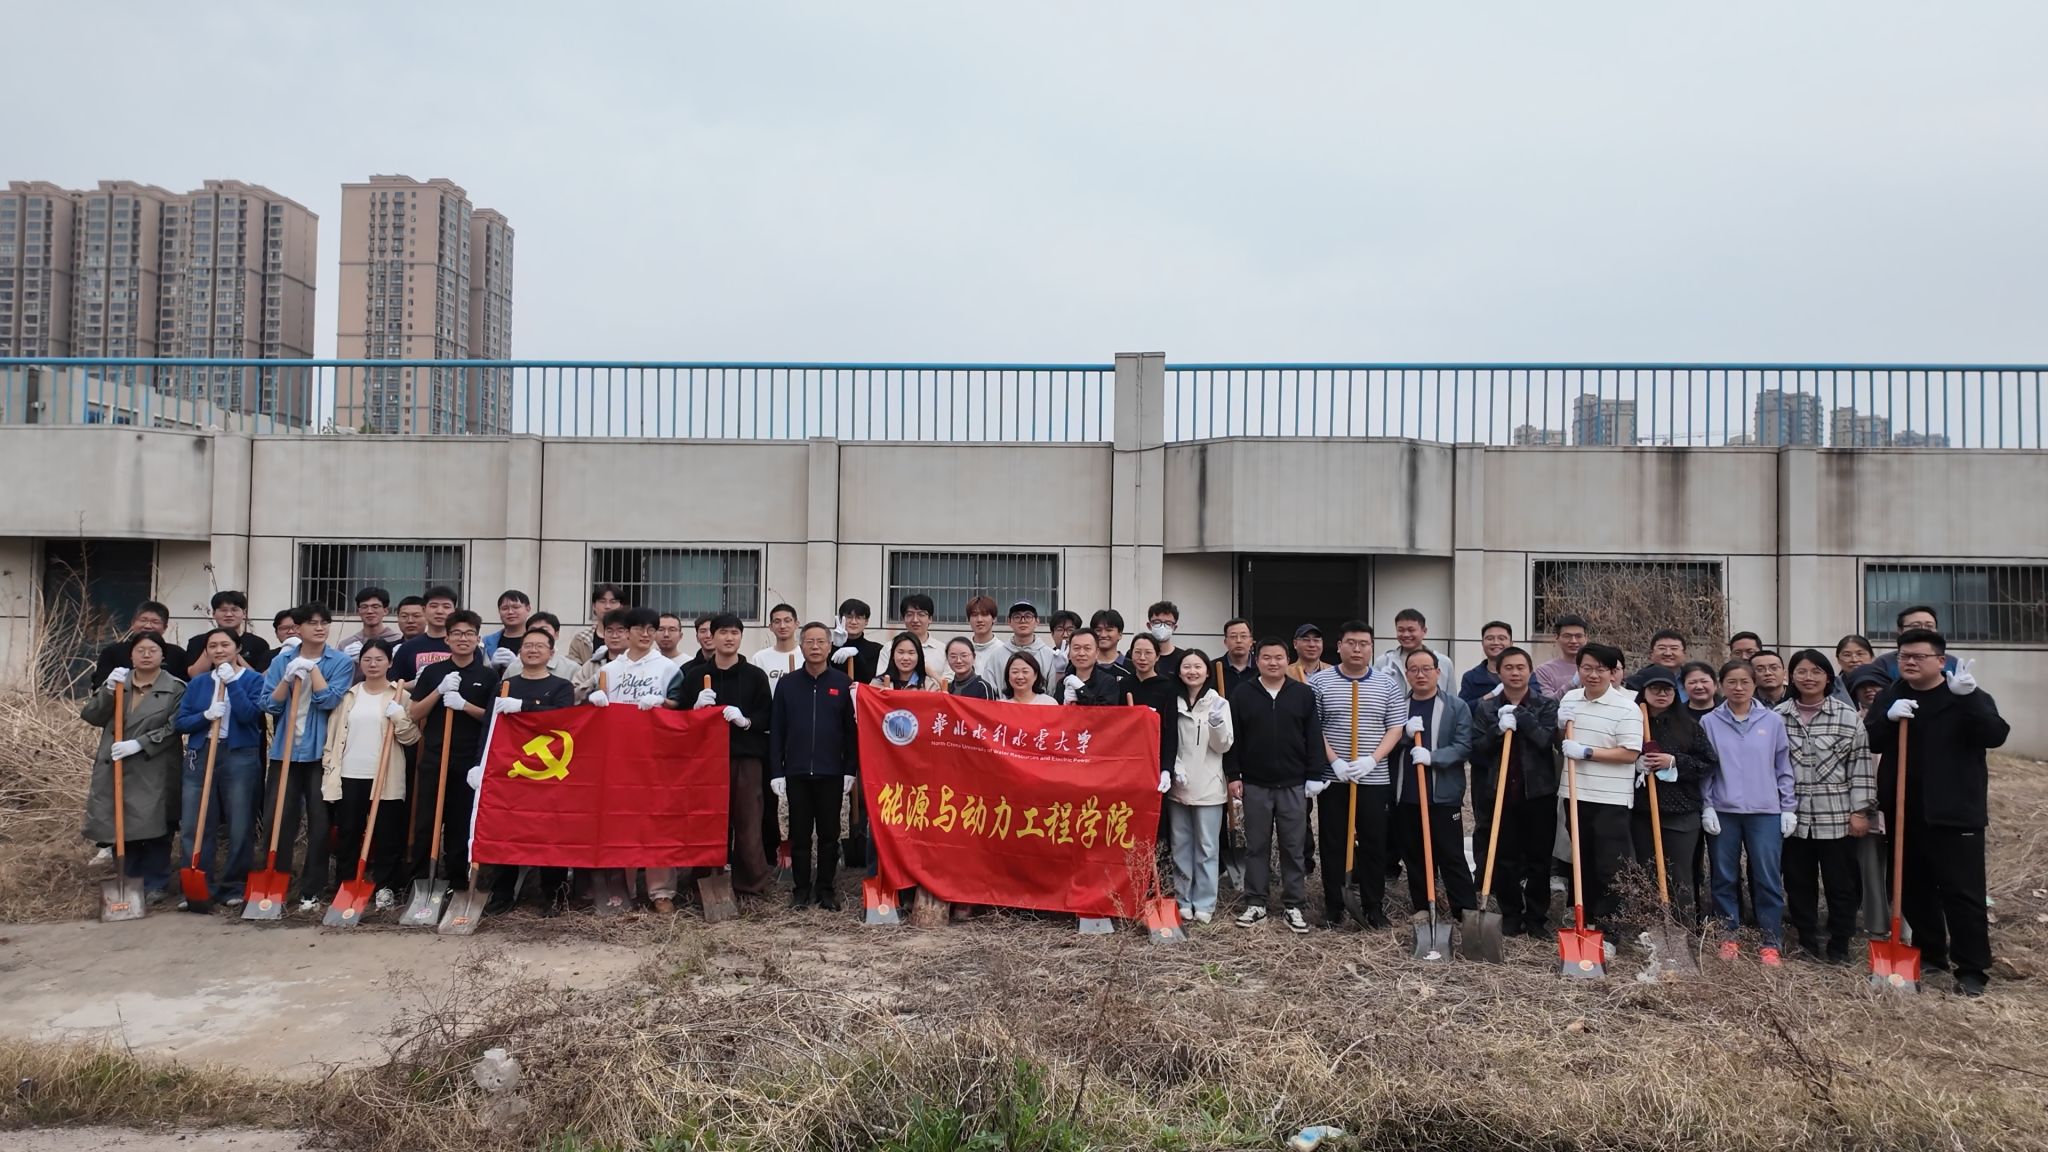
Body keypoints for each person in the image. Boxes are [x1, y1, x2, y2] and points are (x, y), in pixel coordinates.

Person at [1865, 630, 2007, 996]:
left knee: (1963, 893)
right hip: (1906, 812)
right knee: (1914, 890)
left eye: (1919, 656)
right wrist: (1887, 719)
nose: (1910, 662)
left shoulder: (1965, 694)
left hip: (1955, 812)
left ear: (1940, 662)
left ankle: (1972, 968)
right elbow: (1872, 739)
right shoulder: (1892, 695)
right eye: (1904, 656)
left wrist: (1969, 699)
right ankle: (1930, 954)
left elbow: (1995, 734)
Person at [1775, 649, 1875, 964]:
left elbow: (1860, 767)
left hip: (1837, 816)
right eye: (1802, 672)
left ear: (1828, 677)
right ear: (1791, 677)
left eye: (1816, 671)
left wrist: (1860, 811)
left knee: (1841, 884)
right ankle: (1807, 939)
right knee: (1798, 882)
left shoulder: (1846, 717)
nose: (1809, 678)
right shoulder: (1777, 717)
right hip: (1793, 817)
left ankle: (1840, 943)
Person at [1307, 621, 1408, 929]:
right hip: (1335, 778)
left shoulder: (1387, 684)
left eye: (1364, 644)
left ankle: (1373, 906)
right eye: (1351, 642)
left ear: (1371, 648)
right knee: (1333, 841)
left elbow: (1395, 727)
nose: (1357, 649)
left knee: (1374, 842)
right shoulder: (1319, 682)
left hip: (1373, 778)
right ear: (1339, 646)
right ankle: (1334, 905)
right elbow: (1314, 727)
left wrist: (1372, 759)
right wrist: (1335, 761)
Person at [583, 606, 682, 911]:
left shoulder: (667, 668)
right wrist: (593, 701)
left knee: (658, 822)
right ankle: (622, 890)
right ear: (626, 633)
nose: (646, 634)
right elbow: (594, 714)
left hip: (656, 756)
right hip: (619, 758)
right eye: (639, 628)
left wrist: (663, 702)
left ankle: (661, 891)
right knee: (621, 821)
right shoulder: (609, 670)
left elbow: (681, 704)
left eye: (652, 629)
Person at [1700, 659, 1796, 966]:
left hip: (1765, 811)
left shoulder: (1772, 721)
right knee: (1724, 877)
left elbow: (1783, 766)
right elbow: (1706, 769)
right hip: (1724, 810)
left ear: (1755, 685)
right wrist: (1707, 805)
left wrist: (1787, 807)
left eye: (1745, 682)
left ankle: (1770, 940)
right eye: (1731, 682)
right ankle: (1728, 936)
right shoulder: (1709, 722)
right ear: (1721, 685)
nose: (1738, 688)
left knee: (1767, 878)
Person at [259, 605, 355, 909]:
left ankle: (312, 889)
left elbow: (329, 700)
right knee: (278, 819)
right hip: (285, 752)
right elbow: (268, 704)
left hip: (320, 754)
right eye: (312, 623)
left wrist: (312, 670)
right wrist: (287, 678)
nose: (320, 628)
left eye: (324, 622)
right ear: (297, 628)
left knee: (320, 822)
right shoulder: (281, 661)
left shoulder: (340, 662)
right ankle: (275, 883)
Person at [674, 613, 776, 899]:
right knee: (707, 823)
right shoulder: (695, 676)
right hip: (706, 762)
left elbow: (766, 716)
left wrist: (747, 721)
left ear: (741, 637)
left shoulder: (755, 676)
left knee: (748, 822)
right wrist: (695, 710)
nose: (729, 638)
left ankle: (750, 885)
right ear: (712, 636)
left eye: (734, 633)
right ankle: (703, 883)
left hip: (745, 759)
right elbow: (679, 718)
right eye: (723, 632)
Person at [405, 609, 500, 902]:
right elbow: (414, 713)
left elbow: (492, 718)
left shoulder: (488, 675)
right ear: (447, 639)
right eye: (457, 633)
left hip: (469, 761)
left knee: (460, 825)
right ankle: (420, 881)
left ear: (477, 639)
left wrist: (463, 705)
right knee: (426, 823)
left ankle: (457, 882)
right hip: (435, 758)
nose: (463, 638)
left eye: (469, 633)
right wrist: (439, 691)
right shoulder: (434, 672)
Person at [1227, 639, 1322, 934]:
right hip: (1255, 783)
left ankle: (1294, 904)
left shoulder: (1303, 694)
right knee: (1256, 845)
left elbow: (1313, 735)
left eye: (1278, 657)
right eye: (1266, 657)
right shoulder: (1242, 693)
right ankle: (1256, 901)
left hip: (1293, 783)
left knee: (1293, 846)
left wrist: (1314, 774)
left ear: (1287, 660)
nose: (1273, 662)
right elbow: (1234, 738)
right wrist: (1233, 775)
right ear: (1257, 660)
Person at [319, 638, 420, 913]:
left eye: (379, 659)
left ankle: (386, 887)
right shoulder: (348, 696)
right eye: (367, 659)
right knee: (348, 833)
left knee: (388, 835)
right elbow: (333, 737)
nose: (373, 664)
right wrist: (329, 768)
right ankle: (347, 884)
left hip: (386, 776)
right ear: (360, 663)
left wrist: (399, 717)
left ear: (389, 663)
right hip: (350, 774)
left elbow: (411, 738)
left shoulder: (400, 696)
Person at [81, 632, 185, 899]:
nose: (146, 655)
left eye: (153, 650)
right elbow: (92, 716)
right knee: (122, 821)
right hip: (117, 763)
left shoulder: (175, 688)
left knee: (155, 824)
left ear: (163, 656)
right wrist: (107, 690)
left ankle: (156, 883)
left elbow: (175, 727)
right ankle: (128, 882)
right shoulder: (119, 682)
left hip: (154, 764)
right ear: (131, 655)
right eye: (140, 650)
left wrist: (140, 743)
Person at [1468, 646, 1561, 936]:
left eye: (1521, 667)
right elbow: (1476, 749)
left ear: (1529, 671)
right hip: (1500, 794)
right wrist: (1497, 730)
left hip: (1538, 793)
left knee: (1539, 860)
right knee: (1505, 859)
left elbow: (1546, 741)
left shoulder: (1545, 705)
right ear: (1499, 672)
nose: (1515, 673)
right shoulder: (1487, 708)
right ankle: (1510, 914)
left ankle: (1536, 918)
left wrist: (1522, 717)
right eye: (1508, 667)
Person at [172, 628, 268, 908]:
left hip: (240, 755)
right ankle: (198, 886)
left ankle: (234, 885)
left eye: (225, 644)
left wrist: (233, 684)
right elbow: (181, 722)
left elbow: (250, 716)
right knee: (196, 823)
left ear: (237, 648)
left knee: (240, 822)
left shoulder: (252, 680)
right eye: (212, 646)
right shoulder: (199, 683)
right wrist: (205, 715)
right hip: (201, 753)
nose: (219, 650)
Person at [484, 628, 578, 913]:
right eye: (527, 645)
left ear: (551, 653)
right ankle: (502, 894)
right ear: (520, 651)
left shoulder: (562, 686)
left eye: (539, 646)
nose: (533, 650)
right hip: (511, 771)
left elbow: (562, 719)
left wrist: (524, 707)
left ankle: (554, 894)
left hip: (549, 772)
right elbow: (489, 729)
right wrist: (480, 763)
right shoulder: (505, 685)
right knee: (506, 830)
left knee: (550, 832)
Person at [1555, 643, 1643, 945]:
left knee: (1609, 866)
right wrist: (1560, 726)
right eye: (1587, 668)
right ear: (1578, 669)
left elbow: (1630, 753)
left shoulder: (1627, 707)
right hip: (1574, 793)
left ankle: (1610, 931)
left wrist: (1587, 752)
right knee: (1582, 863)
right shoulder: (1570, 699)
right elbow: (1562, 742)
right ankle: (1588, 921)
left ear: (1613, 672)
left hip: (1611, 799)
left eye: (1601, 669)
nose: (1593, 674)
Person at [770, 622, 859, 910]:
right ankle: (800, 889)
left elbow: (851, 732)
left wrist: (849, 769)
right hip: (796, 772)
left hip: (831, 772)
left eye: (821, 641)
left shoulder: (842, 684)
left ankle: (826, 889)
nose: (816, 647)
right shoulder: (788, 684)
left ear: (830, 646)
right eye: (810, 641)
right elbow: (777, 729)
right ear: (802, 646)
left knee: (829, 835)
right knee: (799, 835)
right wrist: (777, 771)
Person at [1391, 649, 1477, 921]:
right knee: (1415, 854)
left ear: (1438, 672)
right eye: (1414, 669)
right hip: (1407, 794)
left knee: (1451, 854)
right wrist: (1404, 736)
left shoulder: (1456, 706)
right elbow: (1385, 742)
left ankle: (1465, 910)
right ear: (1407, 675)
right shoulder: (1398, 707)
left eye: (1426, 669)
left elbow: (1464, 746)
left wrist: (1433, 757)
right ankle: (1423, 906)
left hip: (1442, 795)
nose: (1420, 674)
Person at [1631, 665, 1716, 928]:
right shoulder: (1632, 723)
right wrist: (1635, 764)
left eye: (1667, 689)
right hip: (1642, 812)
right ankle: (1651, 928)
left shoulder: (1688, 726)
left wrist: (1674, 761)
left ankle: (1683, 928)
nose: (1661, 694)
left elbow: (1708, 763)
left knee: (1680, 875)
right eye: (1655, 689)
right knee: (1647, 873)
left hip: (1681, 812)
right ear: (1644, 691)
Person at [1169, 648, 1234, 924]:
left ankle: (1205, 902)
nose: (1192, 671)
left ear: (1207, 671)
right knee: (1181, 846)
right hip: (1178, 787)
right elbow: (1167, 740)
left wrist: (1217, 725)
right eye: (1187, 666)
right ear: (1179, 671)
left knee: (1207, 847)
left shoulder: (1219, 703)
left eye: (1198, 666)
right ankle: (1183, 899)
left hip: (1209, 787)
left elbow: (1224, 745)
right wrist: (1174, 766)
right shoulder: (1172, 701)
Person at [94, 600, 192, 684]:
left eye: (155, 622)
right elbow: (99, 685)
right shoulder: (112, 652)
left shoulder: (177, 654)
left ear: (165, 627)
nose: (148, 626)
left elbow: (184, 686)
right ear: (133, 623)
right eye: (143, 620)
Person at [185, 591, 273, 678]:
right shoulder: (197, 641)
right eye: (223, 610)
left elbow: (260, 679)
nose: (229, 614)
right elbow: (195, 675)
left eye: (234, 610)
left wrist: (234, 654)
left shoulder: (259, 643)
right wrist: (210, 647)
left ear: (244, 613)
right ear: (213, 613)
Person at [975, 601, 1059, 687]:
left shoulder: (1048, 655)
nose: (1023, 621)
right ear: (1009, 621)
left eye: (1028, 616)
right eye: (1017, 617)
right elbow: (989, 688)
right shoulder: (997, 656)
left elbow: (1052, 689)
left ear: (1037, 621)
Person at [391, 585, 458, 685]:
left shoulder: (464, 646)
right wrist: (415, 684)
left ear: (454, 611)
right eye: (434, 606)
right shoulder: (407, 648)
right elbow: (392, 686)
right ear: (424, 609)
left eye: (446, 607)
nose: (439, 611)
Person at [1872, 607, 1961, 679]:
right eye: (1915, 625)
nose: (1923, 629)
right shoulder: (1884, 663)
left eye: (1929, 626)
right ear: (1900, 630)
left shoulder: (1953, 662)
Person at [1372, 609, 1445, 680]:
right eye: (1401, 630)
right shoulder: (1383, 662)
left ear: (1424, 631)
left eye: (1411, 630)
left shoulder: (1443, 662)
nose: (1406, 635)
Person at [1056, 628, 1122, 705]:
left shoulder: (1108, 682)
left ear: (1097, 652)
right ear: (1069, 652)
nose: (1081, 653)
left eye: (1087, 648)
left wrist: (1081, 690)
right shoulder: (1063, 683)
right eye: (1076, 648)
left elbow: (1105, 711)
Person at [567, 584, 625, 666]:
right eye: (602, 601)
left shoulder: (631, 638)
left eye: (613, 602)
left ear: (621, 606)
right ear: (594, 606)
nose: (607, 606)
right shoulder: (581, 640)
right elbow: (573, 669)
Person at [830, 598, 885, 684]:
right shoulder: (828, 647)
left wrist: (857, 655)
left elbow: (868, 678)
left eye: (858, 618)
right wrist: (836, 647)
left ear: (866, 621)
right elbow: (826, 672)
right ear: (841, 619)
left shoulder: (876, 649)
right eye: (849, 617)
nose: (853, 622)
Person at [1535, 615, 1590, 698]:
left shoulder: (1597, 668)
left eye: (1578, 636)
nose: (1573, 641)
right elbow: (1548, 702)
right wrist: (1573, 683)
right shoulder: (1544, 671)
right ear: (1557, 637)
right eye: (1567, 636)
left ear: (1586, 638)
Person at [750, 602, 803, 689]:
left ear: (796, 624)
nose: (782, 626)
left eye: (787, 621)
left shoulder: (805, 657)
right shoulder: (759, 658)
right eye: (777, 622)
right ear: (771, 627)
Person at [1458, 621, 1513, 703]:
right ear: (1482, 643)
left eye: (1501, 638)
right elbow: (1463, 707)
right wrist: (1491, 695)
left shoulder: (1525, 674)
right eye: (1490, 639)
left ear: (1511, 643)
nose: (1496, 642)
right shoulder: (1470, 677)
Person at [896, 594, 947, 679]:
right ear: (903, 618)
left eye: (921, 614)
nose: (915, 620)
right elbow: (882, 680)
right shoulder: (889, 647)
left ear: (930, 619)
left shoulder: (943, 650)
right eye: (910, 614)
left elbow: (948, 682)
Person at [871, 632, 942, 692]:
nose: (905, 658)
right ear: (892, 655)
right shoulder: (877, 683)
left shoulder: (928, 685)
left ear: (919, 656)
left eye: (911, 653)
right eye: (901, 652)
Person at [337, 586, 402, 651]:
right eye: (364, 607)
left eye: (375, 607)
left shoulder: (399, 642)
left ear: (385, 611)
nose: (369, 611)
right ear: (359, 611)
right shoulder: (346, 645)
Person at [481, 590, 533, 666]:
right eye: (505, 608)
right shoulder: (487, 641)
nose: (510, 612)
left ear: (528, 609)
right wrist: (491, 667)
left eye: (516, 607)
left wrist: (516, 665)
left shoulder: (539, 640)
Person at [1833, 634, 1876, 703]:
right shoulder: (1830, 687)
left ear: (1872, 657)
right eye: (1847, 655)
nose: (1854, 660)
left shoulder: (1884, 684)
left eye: (1860, 654)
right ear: (1838, 659)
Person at [1218, 619, 1256, 694]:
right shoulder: (1213, 668)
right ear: (1225, 642)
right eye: (1233, 636)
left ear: (1251, 641)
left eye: (1243, 636)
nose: (1238, 640)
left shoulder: (1262, 667)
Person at [964, 595, 1002, 659]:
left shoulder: (1003, 650)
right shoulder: (963, 649)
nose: (979, 620)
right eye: (974, 615)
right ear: (968, 619)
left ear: (994, 618)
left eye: (984, 614)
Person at [1144, 601, 1182, 666]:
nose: (1162, 627)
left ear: (1174, 628)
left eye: (1168, 623)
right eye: (1157, 622)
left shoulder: (1182, 658)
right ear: (1149, 625)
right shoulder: (1136, 655)